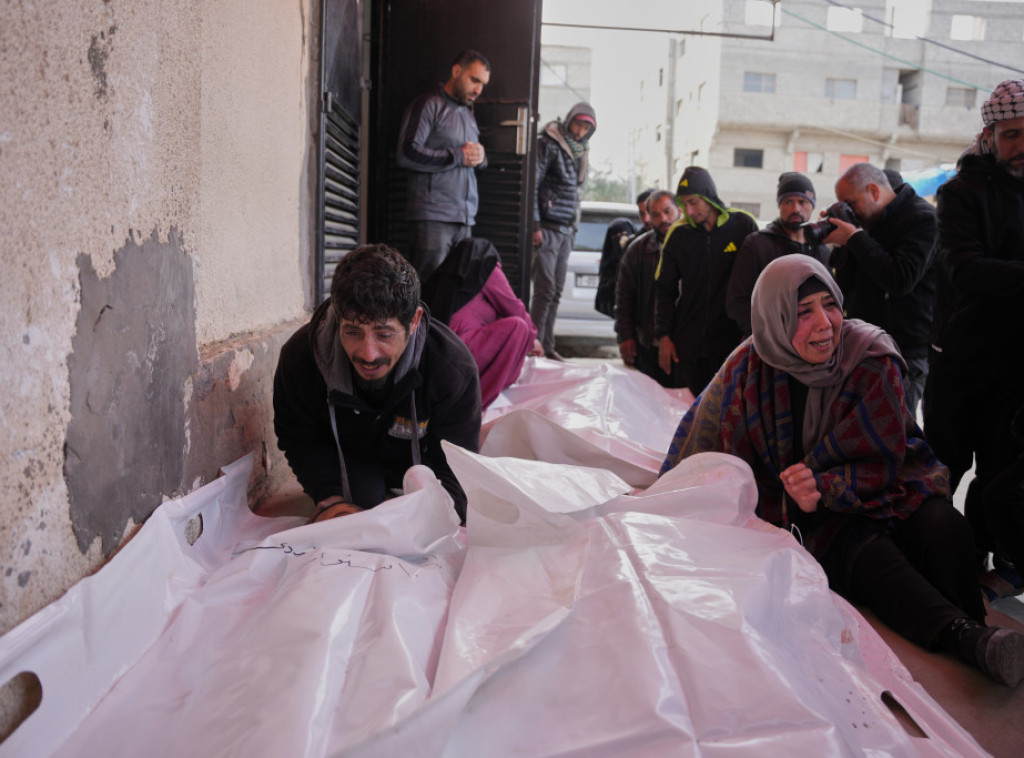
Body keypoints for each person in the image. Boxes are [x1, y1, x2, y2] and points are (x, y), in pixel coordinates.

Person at [659, 254, 1024, 686]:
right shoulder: (748, 371)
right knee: (866, 553)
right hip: (809, 513)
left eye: (829, 304)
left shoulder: (871, 357)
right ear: (773, 318)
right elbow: (711, 448)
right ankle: (967, 639)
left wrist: (824, 484)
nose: (825, 323)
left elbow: (885, 456)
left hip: (888, 483)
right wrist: (794, 496)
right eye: (802, 313)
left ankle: (975, 620)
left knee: (947, 528)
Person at [273, 244, 482, 524]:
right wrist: (330, 498)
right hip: (348, 459)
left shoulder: (453, 368)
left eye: (384, 334)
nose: (367, 354)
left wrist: (435, 511)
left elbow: (457, 466)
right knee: (360, 500)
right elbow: (299, 437)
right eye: (352, 332)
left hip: (423, 461)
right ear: (337, 318)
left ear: (414, 321)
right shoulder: (299, 358)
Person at [924, 79, 1024, 574]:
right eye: (1011, 135)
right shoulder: (961, 194)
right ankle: (938, 562)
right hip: (959, 363)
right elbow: (966, 270)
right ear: (989, 136)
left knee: (998, 476)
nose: (1021, 145)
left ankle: (984, 564)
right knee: (943, 470)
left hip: (1013, 369)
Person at [826, 162, 937, 412]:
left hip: (904, 352)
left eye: (851, 203)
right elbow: (845, 285)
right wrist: (843, 245)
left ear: (874, 191)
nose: (849, 211)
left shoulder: (922, 218)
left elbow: (900, 279)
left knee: (893, 430)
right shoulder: (866, 224)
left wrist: (855, 237)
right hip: (863, 345)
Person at [653, 166, 758, 393]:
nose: (688, 211)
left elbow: (759, 284)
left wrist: (750, 331)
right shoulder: (678, 234)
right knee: (687, 415)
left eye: (693, 202)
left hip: (731, 344)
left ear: (708, 196)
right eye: (683, 204)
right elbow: (665, 289)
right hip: (687, 346)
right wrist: (663, 336)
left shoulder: (743, 226)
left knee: (728, 417)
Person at [396, 50, 490, 283]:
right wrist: (457, 156)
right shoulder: (428, 105)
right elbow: (406, 154)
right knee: (427, 290)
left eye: (483, 84)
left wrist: (481, 157)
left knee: (453, 293)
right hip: (433, 216)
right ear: (456, 71)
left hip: (464, 219)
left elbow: (470, 160)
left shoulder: (468, 114)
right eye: (474, 80)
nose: (478, 90)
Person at [421, 238, 542, 408]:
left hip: (441, 358)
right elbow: (514, 307)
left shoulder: (446, 274)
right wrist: (533, 338)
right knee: (518, 327)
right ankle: (474, 404)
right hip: (461, 355)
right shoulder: (485, 269)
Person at [531, 102, 598, 360]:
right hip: (547, 227)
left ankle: (547, 346)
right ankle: (533, 345)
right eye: (578, 123)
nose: (580, 130)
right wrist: (535, 225)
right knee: (545, 288)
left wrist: (575, 228)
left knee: (556, 288)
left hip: (567, 230)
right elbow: (534, 184)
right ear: (569, 120)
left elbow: (577, 193)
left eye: (586, 127)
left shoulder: (581, 152)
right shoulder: (548, 143)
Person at [726, 172, 830, 337]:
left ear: (812, 205)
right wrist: (768, 334)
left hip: (813, 342)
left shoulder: (821, 249)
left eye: (802, 202)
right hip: (769, 344)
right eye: (788, 202)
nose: (796, 209)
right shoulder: (757, 244)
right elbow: (737, 302)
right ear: (780, 205)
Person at [614, 190, 680, 384]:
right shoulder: (637, 250)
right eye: (656, 214)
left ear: (679, 211)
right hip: (648, 345)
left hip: (685, 347)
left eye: (668, 211)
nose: (664, 219)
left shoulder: (694, 246)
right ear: (649, 217)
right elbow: (624, 297)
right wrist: (625, 336)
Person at [595, 188, 654, 318]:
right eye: (642, 213)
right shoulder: (635, 246)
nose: (646, 219)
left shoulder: (678, 240)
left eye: (650, 212)